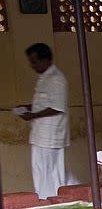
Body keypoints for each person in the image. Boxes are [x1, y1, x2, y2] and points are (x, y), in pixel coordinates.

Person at [16, 43, 70, 199]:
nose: (32, 65)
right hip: (40, 135)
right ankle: (43, 200)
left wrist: (31, 115)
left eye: (34, 61)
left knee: (52, 174)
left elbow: (57, 107)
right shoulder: (44, 78)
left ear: (45, 60)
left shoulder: (56, 79)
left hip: (51, 137)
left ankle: (55, 202)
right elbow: (42, 104)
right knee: (40, 172)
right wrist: (26, 107)